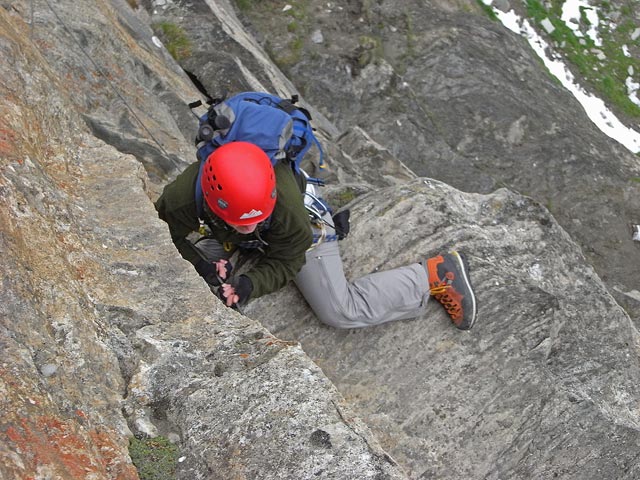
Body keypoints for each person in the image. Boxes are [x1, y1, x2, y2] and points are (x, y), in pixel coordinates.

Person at [155, 141, 477, 330]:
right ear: (214, 202)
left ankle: (432, 275)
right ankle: (224, 246)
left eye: (256, 220)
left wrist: (248, 285)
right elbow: (159, 236)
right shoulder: (184, 197)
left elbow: (288, 261)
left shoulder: (287, 212)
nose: (249, 225)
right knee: (206, 261)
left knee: (340, 310)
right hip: (240, 228)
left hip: (301, 227)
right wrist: (201, 264)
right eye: (241, 222)